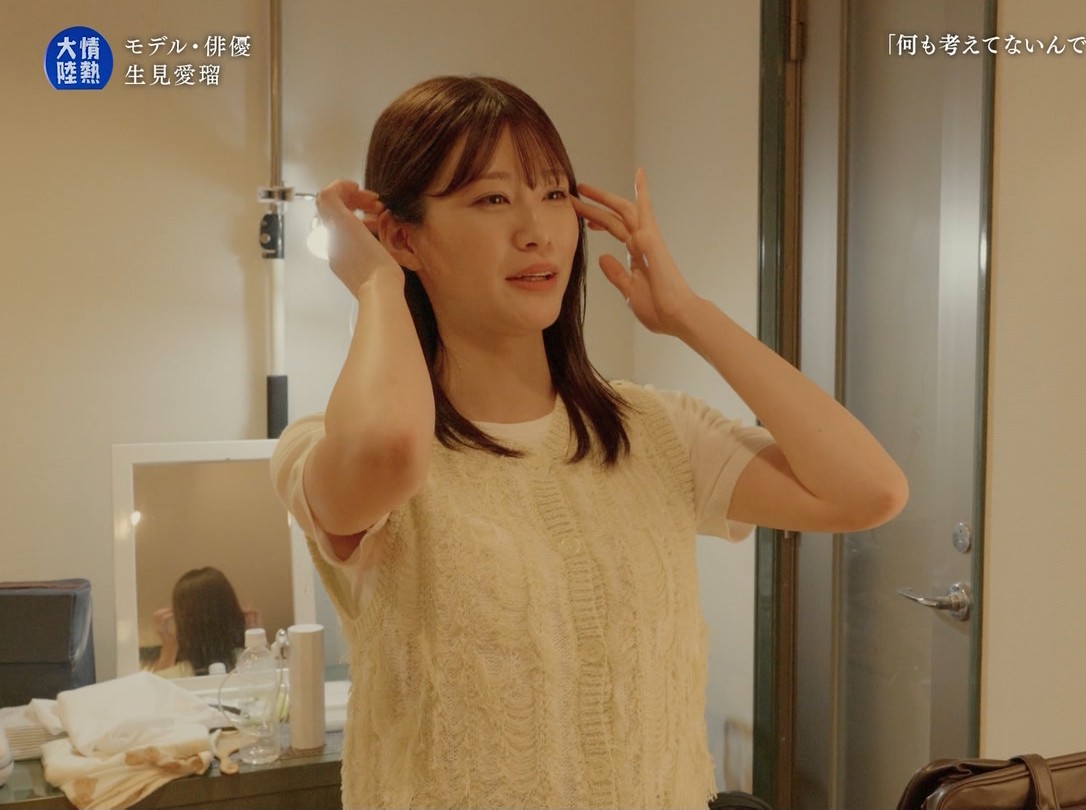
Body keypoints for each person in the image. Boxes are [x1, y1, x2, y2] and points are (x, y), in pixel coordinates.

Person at [270, 75, 908, 810]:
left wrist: (689, 313)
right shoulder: (323, 448)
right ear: (404, 237)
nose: (537, 230)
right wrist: (376, 285)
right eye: (492, 199)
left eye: (552, 194)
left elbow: (870, 491)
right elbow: (391, 450)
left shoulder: (653, 432)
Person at [149, 566, 247, 678]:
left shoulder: (176, 675)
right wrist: (255, 637)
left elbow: (157, 686)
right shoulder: (250, 663)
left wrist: (168, 647)